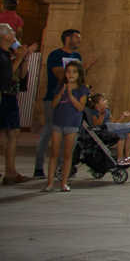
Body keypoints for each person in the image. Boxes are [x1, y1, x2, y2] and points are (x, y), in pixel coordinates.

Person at [34, 29, 86, 179]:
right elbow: (59, 74)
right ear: (67, 38)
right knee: (49, 130)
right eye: (77, 38)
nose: (79, 41)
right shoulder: (55, 55)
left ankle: (61, 169)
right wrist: (74, 74)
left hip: (72, 100)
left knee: (68, 133)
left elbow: (78, 78)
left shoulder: (77, 56)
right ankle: (38, 167)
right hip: (55, 97)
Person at [45, 61, 88, 192]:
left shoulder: (82, 89)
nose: (71, 74)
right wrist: (62, 91)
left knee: (67, 155)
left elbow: (80, 107)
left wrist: (70, 94)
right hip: (58, 123)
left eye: (74, 72)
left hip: (72, 124)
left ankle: (64, 183)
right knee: (54, 153)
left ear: (79, 74)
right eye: (68, 71)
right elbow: (53, 104)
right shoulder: (60, 86)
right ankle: (50, 183)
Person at [0, 24, 32, 184]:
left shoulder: (10, 53)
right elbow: (5, 76)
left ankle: (10, 172)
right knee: (5, 135)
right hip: (2, 97)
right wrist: (19, 58)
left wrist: (24, 58)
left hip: (11, 96)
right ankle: (8, 171)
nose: (14, 33)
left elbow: (20, 76)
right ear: (4, 36)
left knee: (13, 133)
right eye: (11, 31)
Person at [85, 93, 130, 164]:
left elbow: (114, 124)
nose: (106, 101)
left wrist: (122, 116)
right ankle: (119, 159)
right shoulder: (94, 112)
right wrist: (102, 114)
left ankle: (127, 157)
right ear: (97, 104)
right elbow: (97, 125)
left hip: (111, 126)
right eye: (103, 100)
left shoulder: (107, 110)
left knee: (127, 134)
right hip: (104, 129)